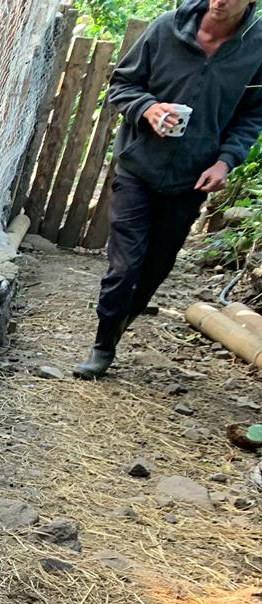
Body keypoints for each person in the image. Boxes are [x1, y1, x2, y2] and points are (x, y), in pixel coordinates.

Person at [74, 0, 262, 380]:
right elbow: (122, 84)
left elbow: (252, 115)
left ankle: (118, 327)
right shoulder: (166, 28)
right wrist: (148, 109)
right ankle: (103, 345)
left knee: (157, 266)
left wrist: (224, 161)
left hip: (193, 177)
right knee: (124, 266)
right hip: (138, 166)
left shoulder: (257, 47)